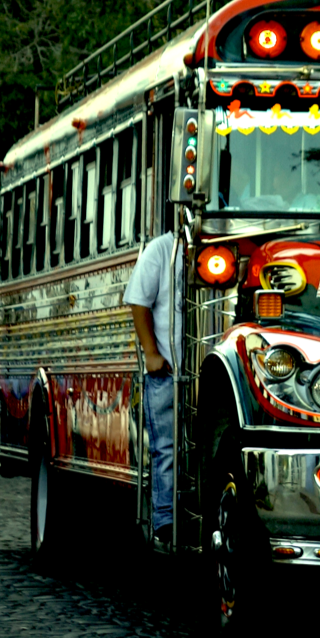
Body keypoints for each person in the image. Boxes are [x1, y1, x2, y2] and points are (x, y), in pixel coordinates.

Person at [123, 231, 184, 552]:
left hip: (207, 377)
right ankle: (165, 523)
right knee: (166, 449)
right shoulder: (162, 248)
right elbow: (138, 300)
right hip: (168, 373)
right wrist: (151, 352)